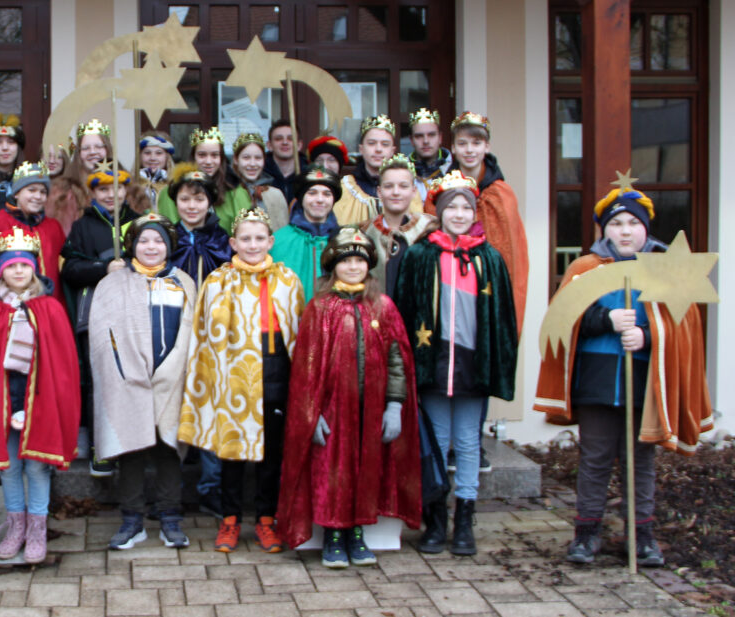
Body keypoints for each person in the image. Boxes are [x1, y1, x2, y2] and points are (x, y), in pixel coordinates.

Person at [534, 186, 712, 567]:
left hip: (647, 382)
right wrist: (605, 320)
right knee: (595, 458)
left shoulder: (667, 269)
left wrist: (648, 336)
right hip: (596, 382)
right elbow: (564, 323)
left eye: (634, 223)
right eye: (616, 223)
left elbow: (684, 328)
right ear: (604, 229)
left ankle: (641, 537)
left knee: (640, 461)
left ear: (646, 228)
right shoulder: (585, 269)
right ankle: (586, 534)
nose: (626, 231)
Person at [277, 226, 422, 568]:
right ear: (333, 266)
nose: (353, 266)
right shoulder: (320, 308)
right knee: (333, 474)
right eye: (346, 261)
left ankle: (357, 533)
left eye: (359, 260)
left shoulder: (383, 307)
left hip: (372, 409)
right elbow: (306, 368)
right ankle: (332, 536)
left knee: (367, 471)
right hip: (332, 410)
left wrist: (394, 405)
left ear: (369, 264)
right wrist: (312, 414)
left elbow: (397, 359)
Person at [395, 171, 518, 557]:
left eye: (467, 207)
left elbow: (502, 319)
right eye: (453, 207)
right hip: (433, 363)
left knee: (467, 444)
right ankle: (437, 520)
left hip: (471, 367)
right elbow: (404, 311)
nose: (460, 214)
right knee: (435, 443)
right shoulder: (419, 254)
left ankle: (465, 518)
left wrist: (496, 366)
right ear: (440, 211)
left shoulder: (489, 259)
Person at [178, 207, 305, 554]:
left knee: (271, 453)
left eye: (259, 238)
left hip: (276, 369)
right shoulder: (218, 280)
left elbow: (297, 329)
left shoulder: (288, 280)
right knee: (232, 452)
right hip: (232, 374)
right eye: (245, 239)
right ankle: (230, 518)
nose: (252, 245)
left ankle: (266, 519)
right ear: (233, 242)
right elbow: (206, 334)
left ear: (271, 241)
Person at [0, 227, 80, 564]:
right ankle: (16, 525)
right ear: (1, 270)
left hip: (40, 397)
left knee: (36, 468)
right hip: (4, 399)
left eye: (25, 265)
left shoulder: (50, 309)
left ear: (35, 268)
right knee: (10, 467)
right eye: (11, 266)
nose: (18, 271)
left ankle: (37, 529)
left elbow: (63, 363)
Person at [91, 214, 196, 550]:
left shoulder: (184, 283)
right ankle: (132, 518)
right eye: (144, 241)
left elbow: (192, 330)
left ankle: (169, 516)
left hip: (171, 376)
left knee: (168, 449)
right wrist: (126, 368)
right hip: (127, 377)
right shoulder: (113, 283)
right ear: (132, 245)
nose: (152, 247)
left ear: (170, 246)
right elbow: (103, 335)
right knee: (131, 449)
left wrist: (174, 367)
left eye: (159, 241)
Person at [61, 164, 141, 477]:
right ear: (93, 193)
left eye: (117, 188)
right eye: (104, 189)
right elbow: (70, 268)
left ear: (126, 190)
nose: (112, 195)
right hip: (95, 314)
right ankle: (101, 448)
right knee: (99, 381)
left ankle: (132, 445)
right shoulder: (83, 226)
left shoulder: (139, 222)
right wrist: (103, 268)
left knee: (132, 377)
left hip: (133, 313)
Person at [164, 165, 230, 517]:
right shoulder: (165, 239)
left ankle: (210, 488)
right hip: (174, 337)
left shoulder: (222, 240)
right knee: (172, 413)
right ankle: (168, 492)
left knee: (210, 411)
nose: (192, 206)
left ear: (209, 201)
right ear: (176, 201)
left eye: (199, 198)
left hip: (213, 339)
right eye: (186, 199)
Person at [439, 111, 529, 334]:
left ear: (486, 147)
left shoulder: (501, 194)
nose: (469, 150)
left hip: (490, 290)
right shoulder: (439, 192)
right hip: (451, 289)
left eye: (476, 143)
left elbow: (512, 252)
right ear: (454, 148)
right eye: (463, 143)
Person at [0, 161, 66, 309]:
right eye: (31, 190)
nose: (37, 196)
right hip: (6, 309)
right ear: (17, 193)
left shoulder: (52, 227)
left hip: (45, 308)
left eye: (43, 192)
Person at [360, 154, 438, 297]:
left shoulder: (429, 229)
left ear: (414, 191)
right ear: (379, 192)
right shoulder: (365, 233)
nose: (396, 192)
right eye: (389, 186)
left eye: (403, 186)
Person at [332, 115, 423, 227]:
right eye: (371, 143)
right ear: (361, 149)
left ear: (392, 150)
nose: (378, 149)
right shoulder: (345, 188)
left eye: (385, 144)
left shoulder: (408, 189)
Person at [269, 165, 342, 300]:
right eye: (312, 193)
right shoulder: (278, 241)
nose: (319, 199)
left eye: (327, 194)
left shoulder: (343, 241)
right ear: (301, 198)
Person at [157, 128, 244, 233]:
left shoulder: (235, 191)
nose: (208, 161)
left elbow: (244, 231)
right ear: (193, 157)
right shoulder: (172, 191)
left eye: (214, 155)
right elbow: (169, 233)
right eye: (202, 155)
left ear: (221, 158)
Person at [230, 133, 289, 230]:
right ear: (236, 159)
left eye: (258, 158)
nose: (252, 164)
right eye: (246, 157)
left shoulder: (275, 195)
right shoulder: (228, 192)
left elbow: (283, 232)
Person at [408, 108, 452, 202]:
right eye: (419, 136)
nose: (426, 141)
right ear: (411, 140)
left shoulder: (454, 171)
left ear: (440, 138)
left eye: (431, 135)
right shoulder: (402, 173)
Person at [46, 142, 89, 236]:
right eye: (47, 156)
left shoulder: (70, 192)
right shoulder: (30, 188)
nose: (52, 161)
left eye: (58, 157)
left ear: (65, 160)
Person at [263, 120, 307, 203]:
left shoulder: (309, 175)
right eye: (278, 139)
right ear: (269, 145)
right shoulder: (260, 175)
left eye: (290, 139)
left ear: (299, 145)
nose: (285, 142)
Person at [136, 130, 175, 204]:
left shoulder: (175, 185)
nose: (153, 158)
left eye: (159, 153)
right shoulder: (132, 184)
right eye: (147, 153)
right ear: (140, 156)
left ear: (167, 157)